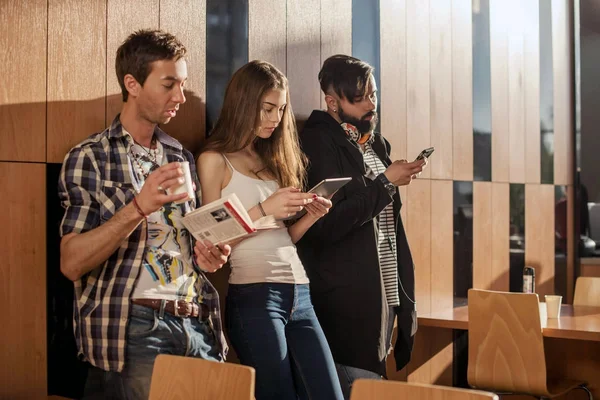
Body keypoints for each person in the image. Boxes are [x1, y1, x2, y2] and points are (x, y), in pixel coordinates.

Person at [58, 29, 231, 400]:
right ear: (132, 84)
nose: (180, 97)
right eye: (169, 84)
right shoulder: (90, 157)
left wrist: (208, 255)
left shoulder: (180, 157)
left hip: (199, 322)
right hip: (137, 326)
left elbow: (187, 246)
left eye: (182, 85)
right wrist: (138, 207)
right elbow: (71, 263)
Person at [196, 60, 344, 400]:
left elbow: (280, 236)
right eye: (267, 108)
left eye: (280, 109)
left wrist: (309, 217)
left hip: (300, 293)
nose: (275, 119)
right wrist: (265, 209)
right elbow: (210, 239)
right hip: (255, 297)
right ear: (244, 103)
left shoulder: (270, 160)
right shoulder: (214, 160)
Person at [297, 54, 426, 399]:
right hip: (345, 300)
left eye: (374, 94)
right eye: (360, 97)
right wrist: (386, 182)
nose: (371, 104)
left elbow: (388, 225)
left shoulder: (375, 144)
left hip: (383, 294)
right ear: (332, 102)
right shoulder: (317, 142)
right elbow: (328, 223)